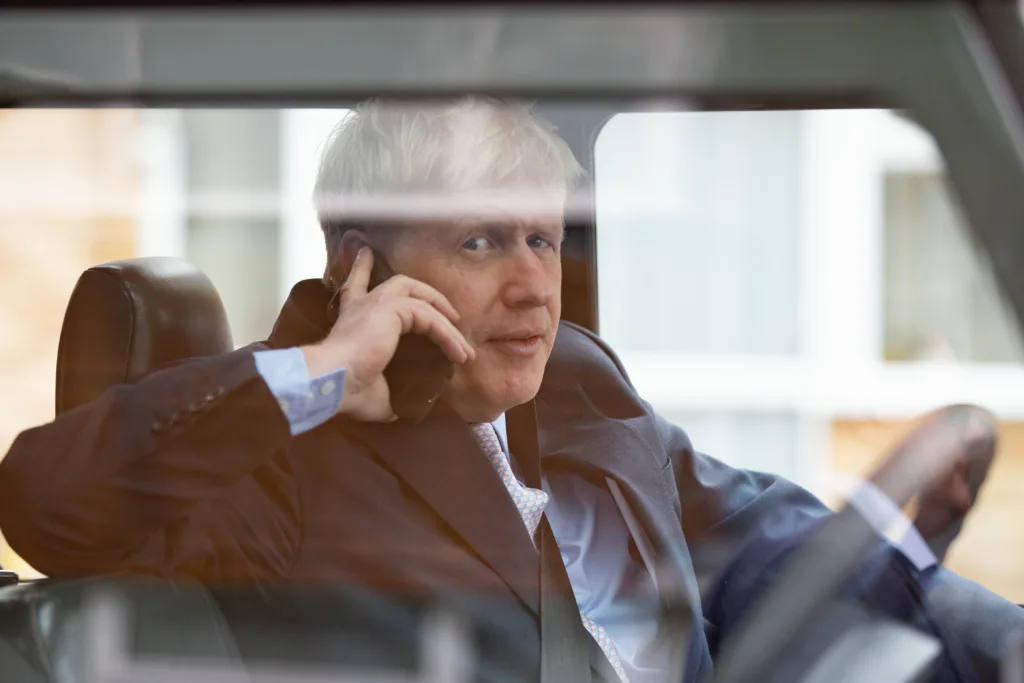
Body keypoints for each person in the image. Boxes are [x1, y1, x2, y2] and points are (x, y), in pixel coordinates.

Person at [0, 97, 1016, 683]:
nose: (536, 282)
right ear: (363, 265)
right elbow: (43, 503)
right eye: (483, 240)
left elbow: (767, 542)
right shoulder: (286, 457)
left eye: (543, 237)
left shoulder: (575, 379)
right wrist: (321, 369)